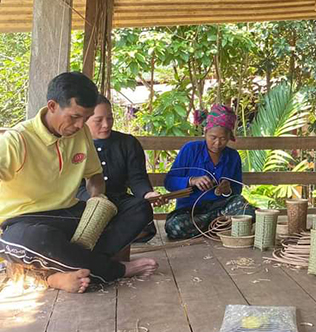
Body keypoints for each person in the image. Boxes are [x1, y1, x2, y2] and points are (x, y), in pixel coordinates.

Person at [0, 72, 158, 293]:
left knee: (138, 208)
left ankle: (63, 272)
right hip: (26, 221)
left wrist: (96, 201)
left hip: (70, 213)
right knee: (24, 240)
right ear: (52, 106)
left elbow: (94, 175)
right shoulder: (17, 140)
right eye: (74, 117)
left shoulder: (80, 132)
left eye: (86, 117)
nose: (80, 124)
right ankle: (114, 270)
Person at [77, 94, 161, 242]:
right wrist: (96, 202)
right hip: (87, 202)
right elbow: (75, 186)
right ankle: (115, 236)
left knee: (142, 208)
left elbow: (137, 178)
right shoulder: (74, 145)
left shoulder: (128, 143)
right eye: (98, 120)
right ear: (84, 120)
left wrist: (147, 194)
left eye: (110, 118)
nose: (106, 124)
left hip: (119, 200)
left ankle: (106, 236)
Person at [163, 103, 254, 240]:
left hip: (220, 209)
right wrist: (192, 181)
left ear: (229, 137)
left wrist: (227, 189)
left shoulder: (233, 156)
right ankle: (218, 226)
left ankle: (212, 225)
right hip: (189, 212)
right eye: (213, 137)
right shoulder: (190, 149)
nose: (217, 143)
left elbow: (237, 190)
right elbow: (169, 182)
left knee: (248, 211)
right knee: (175, 227)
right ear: (205, 132)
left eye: (223, 139)